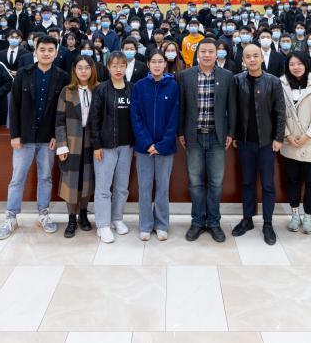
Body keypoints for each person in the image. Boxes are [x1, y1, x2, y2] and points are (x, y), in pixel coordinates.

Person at [0, 35, 66, 240]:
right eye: (42, 49)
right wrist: (15, 134)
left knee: (45, 177)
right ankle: (11, 217)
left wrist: (57, 135)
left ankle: (43, 214)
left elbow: (62, 110)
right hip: (24, 137)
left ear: (56, 53)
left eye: (50, 50)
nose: (46, 53)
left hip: (48, 138)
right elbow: (14, 105)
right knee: (17, 178)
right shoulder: (23, 73)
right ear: (35, 51)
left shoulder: (62, 76)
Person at [178, 36, 236, 243]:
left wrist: (231, 132)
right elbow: (181, 107)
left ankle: (213, 222)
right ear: (197, 54)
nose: (207, 55)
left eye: (211, 51)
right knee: (195, 182)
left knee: (216, 183)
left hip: (217, 137)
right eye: (203, 51)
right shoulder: (185, 76)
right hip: (193, 136)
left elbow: (232, 107)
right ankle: (197, 222)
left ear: (216, 54)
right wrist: (180, 132)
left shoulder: (227, 76)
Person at [231, 42, 286, 246]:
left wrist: (279, 138)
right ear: (243, 60)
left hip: (267, 143)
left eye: (256, 55)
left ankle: (268, 223)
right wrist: (234, 134)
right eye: (248, 56)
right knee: (247, 182)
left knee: (268, 184)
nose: (252, 59)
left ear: (262, 58)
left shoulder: (273, 81)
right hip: (245, 143)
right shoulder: (237, 80)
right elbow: (233, 111)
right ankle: (247, 219)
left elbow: (280, 112)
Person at [131, 48, 179, 242]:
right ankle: (145, 224)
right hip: (144, 148)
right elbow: (135, 117)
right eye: (154, 62)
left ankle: (161, 224)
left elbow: (174, 118)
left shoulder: (173, 86)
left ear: (165, 64)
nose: (157, 65)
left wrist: (162, 144)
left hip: (165, 148)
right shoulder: (139, 86)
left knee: (162, 188)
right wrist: (147, 143)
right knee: (144, 187)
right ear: (148, 64)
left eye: (160, 61)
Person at [279, 51, 311, 235]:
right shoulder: (281, 84)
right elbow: (276, 111)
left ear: (306, 64)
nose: (296, 67)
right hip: (290, 141)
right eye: (292, 64)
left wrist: (308, 135)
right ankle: (295, 215)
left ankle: (308, 216)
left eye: (299, 63)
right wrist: (287, 135)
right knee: (292, 179)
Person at [87, 51, 134, 244]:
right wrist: (96, 145)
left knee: (122, 187)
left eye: (122, 65)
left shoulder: (132, 89)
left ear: (126, 67)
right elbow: (94, 119)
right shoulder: (101, 89)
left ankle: (117, 219)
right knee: (103, 187)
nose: (118, 69)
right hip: (105, 147)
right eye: (114, 65)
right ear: (108, 67)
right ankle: (103, 224)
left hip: (126, 146)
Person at [55, 55, 98, 238]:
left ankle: (83, 214)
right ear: (74, 70)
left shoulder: (98, 89)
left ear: (92, 70)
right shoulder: (67, 91)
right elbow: (59, 121)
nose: (83, 71)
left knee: (87, 180)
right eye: (80, 68)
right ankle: (71, 218)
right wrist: (62, 145)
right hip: (72, 142)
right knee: (71, 181)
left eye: (87, 67)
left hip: (92, 142)